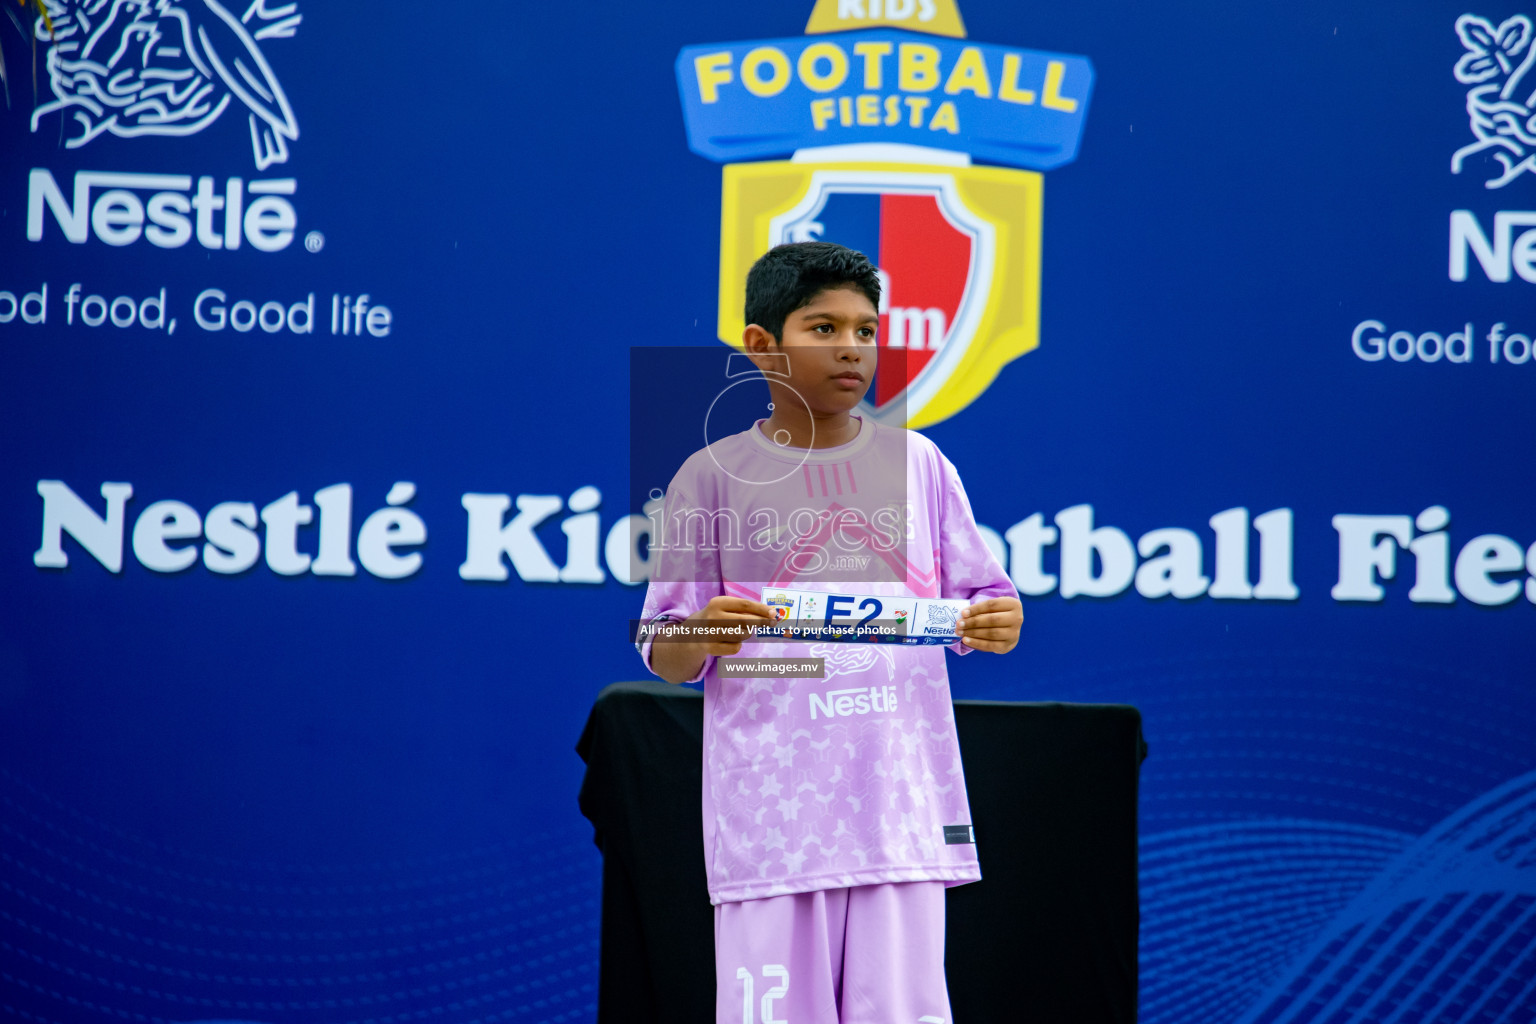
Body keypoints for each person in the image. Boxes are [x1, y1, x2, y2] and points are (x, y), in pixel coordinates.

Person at [637, 241, 1023, 1024]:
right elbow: (664, 650)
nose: (852, 347)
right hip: (772, 827)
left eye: (867, 330)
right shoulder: (708, 477)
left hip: (899, 819)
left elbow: (989, 604)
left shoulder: (922, 465)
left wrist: (997, 621)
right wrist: (702, 635)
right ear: (761, 346)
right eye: (823, 327)